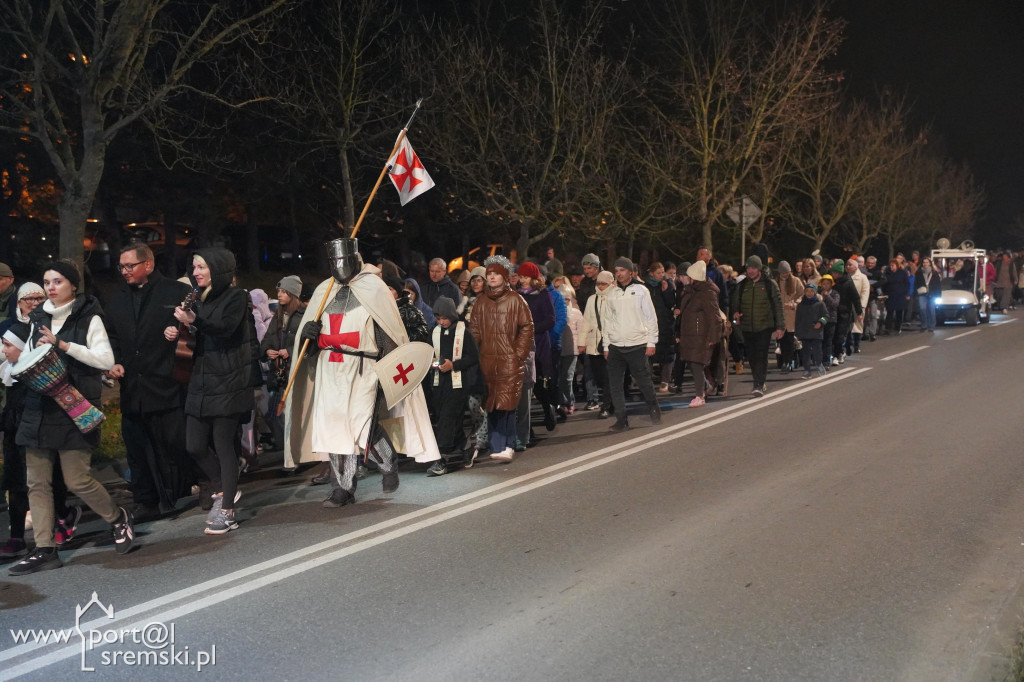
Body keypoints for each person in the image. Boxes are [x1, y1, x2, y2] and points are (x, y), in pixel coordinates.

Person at [288, 239, 440, 506]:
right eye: (333, 262)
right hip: (329, 367)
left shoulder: (374, 288)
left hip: (364, 367)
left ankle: (387, 461)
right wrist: (308, 337)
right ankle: (342, 489)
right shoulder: (325, 290)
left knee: (362, 425)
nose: (338, 266)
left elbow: (387, 331)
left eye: (341, 260)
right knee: (336, 428)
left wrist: (388, 370)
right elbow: (306, 348)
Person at [11, 260, 135, 575]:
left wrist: (63, 345)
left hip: (74, 405)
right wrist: (22, 359)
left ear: (72, 285)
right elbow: (28, 358)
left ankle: (117, 517)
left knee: (77, 479)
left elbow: (105, 359)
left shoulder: (89, 316)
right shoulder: (37, 317)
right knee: (36, 482)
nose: (50, 287)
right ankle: (44, 548)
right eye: (47, 282)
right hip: (39, 405)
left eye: (57, 281)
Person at [174, 248, 258, 535]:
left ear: (218, 269)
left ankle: (227, 511)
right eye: (194, 267)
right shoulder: (199, 297)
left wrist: (193, 321)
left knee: (224, 445)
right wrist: (180, 332)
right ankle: (225, 489)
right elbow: (200, 334)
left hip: (229, 380)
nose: (195, 272)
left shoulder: (237, 297)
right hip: (201, 380)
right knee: (194, 444)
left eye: (201, 267)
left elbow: (224, 329)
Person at [106, 243, 193, 520]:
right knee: (137, 449)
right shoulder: (116, 299)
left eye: (130, 266)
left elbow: (192, 335)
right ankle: (146, 500)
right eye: (121, 266)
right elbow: (112, 339)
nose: (124, 271)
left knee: (177, 441)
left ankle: (201, 483)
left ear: (149, 264)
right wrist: (114, 362)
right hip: (133, 388)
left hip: (168, 384)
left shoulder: (176, 293)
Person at [467, 256, 533, 461]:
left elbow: (526, 327)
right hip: (487, 361)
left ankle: (508, 444)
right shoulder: (481, 302)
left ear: (505, 277)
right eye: (489, 275)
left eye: (496, 274)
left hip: (509, 360)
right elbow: (475, 331)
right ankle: (497, 445)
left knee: (507, 403)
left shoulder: (515, 300)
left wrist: (518, 354)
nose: (492, 277)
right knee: (491, 402)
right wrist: (473, 354)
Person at [602, 257, 660, 432]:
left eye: (622, 270)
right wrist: (606, 345)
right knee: (615, 384)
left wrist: (651, 341)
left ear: (630, 271)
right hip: (616, 346)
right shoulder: (611, 293)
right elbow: (607, 321)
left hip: (637, 344)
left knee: (643, 381)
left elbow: (651, 317)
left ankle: (653, 407)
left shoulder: (641, 290)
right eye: (616, 271)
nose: (619, 273)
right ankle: (621, 419)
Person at [426, 296, 482, 475]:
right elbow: (428, 354)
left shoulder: (463, 332)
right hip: (438, 383)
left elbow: (473, 357)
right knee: (446, 418)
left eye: (444, 317)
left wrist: (454, 365)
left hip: (458, 384)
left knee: (447, 419)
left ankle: (441, 459)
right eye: (438, 318)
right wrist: (434, 364)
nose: (441, 322)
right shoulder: (433, 332)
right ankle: (466, 448)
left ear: (451, 315)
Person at [262, 275, 304, 459]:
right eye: (278, 291)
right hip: (279, 374)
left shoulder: (303, 315)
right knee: (278, 415)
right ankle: (288, 454)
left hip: (296, 373)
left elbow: (308, 342)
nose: (279, 295)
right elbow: (266, 340)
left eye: (283, 291)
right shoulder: (277, 317)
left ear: (292, 294)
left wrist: (290, 350)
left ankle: (298, 453)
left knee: (294, 415)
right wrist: (268, 351)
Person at [730, 255, 784, 397]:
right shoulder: (741, 286)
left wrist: (780, 327)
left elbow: (778, 306)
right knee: (752, 357)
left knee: (761, 354)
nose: (750, 271)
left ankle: (758, 384)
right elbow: (735, 306)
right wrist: (735, 315)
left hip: (764, 326)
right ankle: (758, 379)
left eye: (753, 268)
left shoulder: (770, 284)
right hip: (747, 327)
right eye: (748, 268)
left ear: (759, 268)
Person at [677, 261, 726, 407]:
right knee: (693, 364)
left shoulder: (706, 293)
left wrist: (713, 337)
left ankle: (700, 395)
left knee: (696, 364)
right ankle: (707, 385)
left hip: (701, 335)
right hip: (691, 334)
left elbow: (714, 317)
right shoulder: (691, 291)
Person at [515, 262, 557, 431]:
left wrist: (530, 329)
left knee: (539, 384)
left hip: (538, 343)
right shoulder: (517, 295)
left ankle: (548, 409)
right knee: (523, 386)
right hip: (520, 345)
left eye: (525, 277)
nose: (522, 280)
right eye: (521, 277)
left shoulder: (543, 294)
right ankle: (526, 428)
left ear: (533, 278)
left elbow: (551, 320)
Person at [579, 270, 615, 418]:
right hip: (594, 344)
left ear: (611, 283)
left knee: (608, 377)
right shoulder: (591, 299)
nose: (600, 286)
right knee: (600, 377)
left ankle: (606, 406)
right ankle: (611, 403)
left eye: (604, 283)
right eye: (598, 283)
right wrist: (582, 343)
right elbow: (586, 322)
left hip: (612, 344)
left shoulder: (615, 297)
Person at [644, 262, 677, 392]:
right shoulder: (645, 287)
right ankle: (648, 382)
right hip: (650, 324)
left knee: (668, 353)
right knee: (650, 355)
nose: (662, 275)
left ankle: (665, 381)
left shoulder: (667, 285)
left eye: (663, 272)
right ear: (651, 274)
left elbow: (671, 303)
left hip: (665, 324)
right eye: (659, 273)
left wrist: (666, 291)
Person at [576, 253, 602, 410]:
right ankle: (592, 398)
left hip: (604, 328)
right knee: (589, 365)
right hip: (590, 326)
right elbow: (583, 305)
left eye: (589, 268)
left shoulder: (605, 280)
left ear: (596, 267)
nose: (586, 271)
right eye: (585, 268)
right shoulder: (585, 283)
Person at [557, 287, 583, 418]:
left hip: (571, 349)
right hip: (557, 348)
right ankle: (561, 402)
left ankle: (569, 401)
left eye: (567, 299)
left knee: (567, 377)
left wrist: (581, 345)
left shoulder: (576, 313)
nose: (565, 301)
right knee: (558, 378)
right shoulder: (555, 312)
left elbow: (581, 330)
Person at [795, 282, 828, 378]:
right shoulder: (801, 305)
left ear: (815, 292)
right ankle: (807, 370)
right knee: (805, 352)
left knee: (817, 351)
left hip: (816, 332)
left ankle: (819, 364)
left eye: (812, 291)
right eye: (807, 291)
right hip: (805, 332)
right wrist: (797, 332)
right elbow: (798, 320)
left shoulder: (820, 304)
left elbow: (826, 316)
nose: (809, 293)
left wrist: (820, 322)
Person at [776, 261, 803, 373]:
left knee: (790, 339)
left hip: (791, 314)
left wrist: (795, 304)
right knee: (781, 340)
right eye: (782, 273)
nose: (785, 275)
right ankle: (785, 361)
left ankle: (789, 361)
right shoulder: (775, 282)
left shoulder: (796, 281)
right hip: (779, 315)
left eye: (786, 273)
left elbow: (802, 294)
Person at [881, 258, 910, 335]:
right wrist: (884, 293)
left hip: (900, 296)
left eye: (893, 265)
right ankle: (888, 328)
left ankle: (897, 328)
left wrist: (906, 293)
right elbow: (884, 283)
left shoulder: (902, 273)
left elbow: (907, 283)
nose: (891, 267)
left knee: (899, 312)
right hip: (890, 295)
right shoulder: (887, 273)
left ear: (897, 266)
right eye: (890, 265)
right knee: (889, 312)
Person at [848, 258, 871, 353]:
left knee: (857, 326)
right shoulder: (846, 276)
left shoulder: (862, 277)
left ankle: (856, 345)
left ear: (855, 267)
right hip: (848, 305)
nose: (848, 267)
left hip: (858, 306)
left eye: (850, 265)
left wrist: (862, 306)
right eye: (847, 265)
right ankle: (848, 344)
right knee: (848, 326)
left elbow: (865, 292)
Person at [696, 247, 729, 312]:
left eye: (702, 254)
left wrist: (723, 312)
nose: (699, 257)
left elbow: (723, 295)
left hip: (712, 311)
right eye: (698, 255)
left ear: (709, 257)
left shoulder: (716, 273)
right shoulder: (694, 272)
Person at [915, 257, 942, 332]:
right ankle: (924, 325)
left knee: (931, 310)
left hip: (932, 293)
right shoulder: (919, 272)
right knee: (922, 309)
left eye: (927, 262)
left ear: (930, 263)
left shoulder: (934, 273)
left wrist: (938, 295)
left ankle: (931, 326)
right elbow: (916, 283)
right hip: (922, 293)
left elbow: (938, 284)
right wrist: (916, 292)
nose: (925, 264)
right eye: (924, 262)